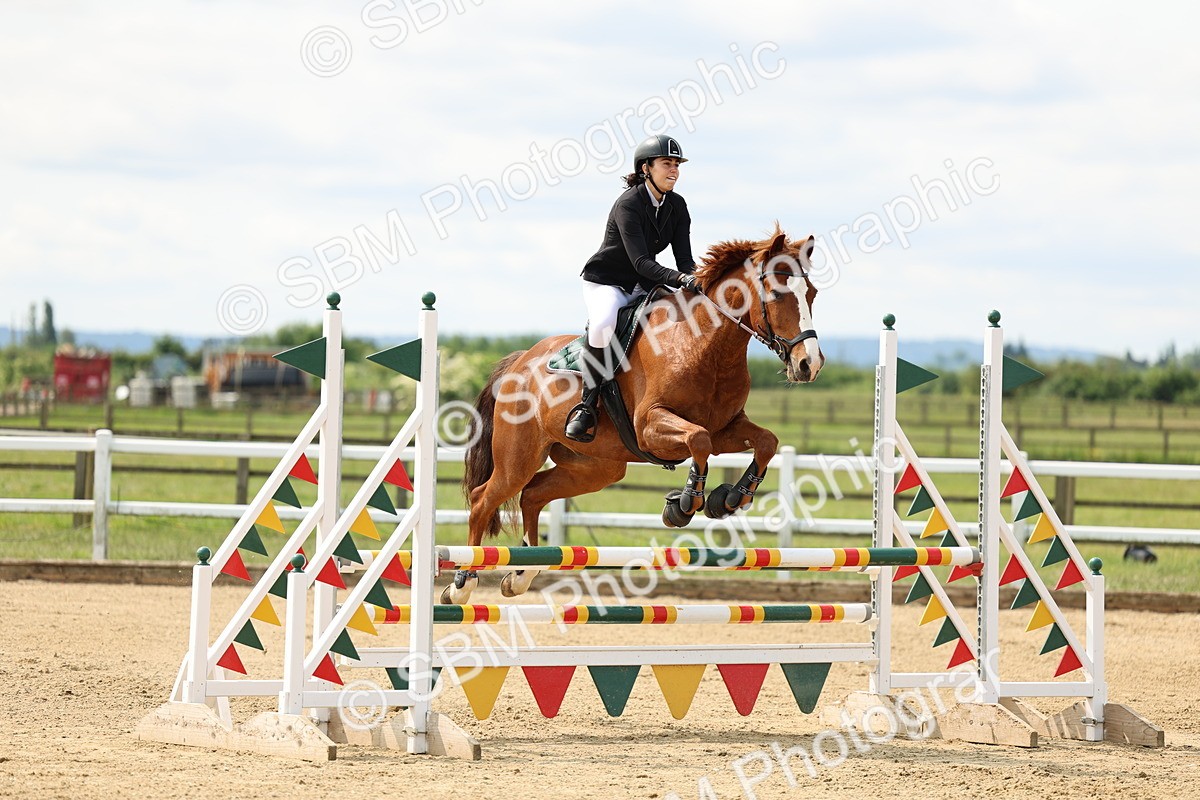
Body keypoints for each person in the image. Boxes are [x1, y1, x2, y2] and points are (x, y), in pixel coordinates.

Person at [564, 134, 702, 443]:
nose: (674, 170)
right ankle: (586, 406)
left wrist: (699, 281)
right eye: (667, 163)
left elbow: (684, 260)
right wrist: (680, 280)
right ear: (645, 168)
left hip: (645, 285)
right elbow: (640, 261)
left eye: (677, 165)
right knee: (602, 323)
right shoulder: (628, 204)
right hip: (608, 282)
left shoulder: (677, 206)